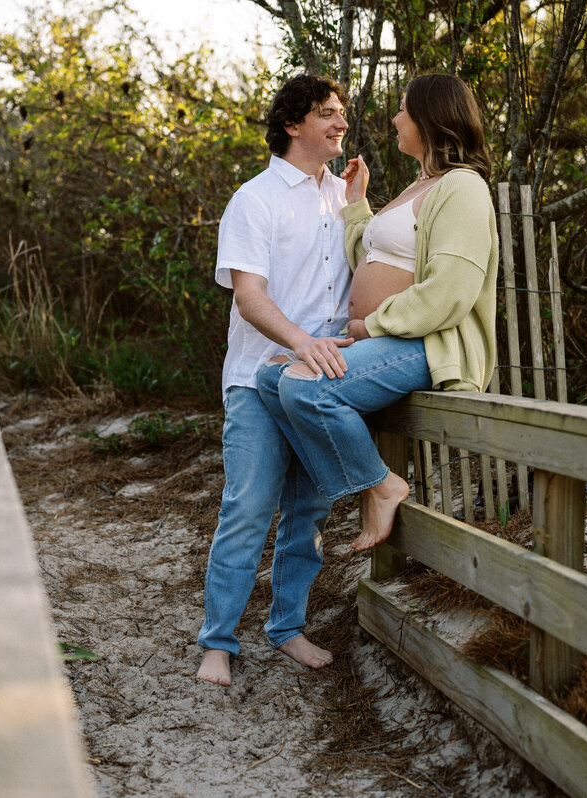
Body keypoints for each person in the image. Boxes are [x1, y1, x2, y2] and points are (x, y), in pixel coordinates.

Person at [258, 73, 498, 552]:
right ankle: (361, 482)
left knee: (307, 388)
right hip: (388, 341)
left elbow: (451, 290)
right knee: (269, 377)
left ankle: (378, 484)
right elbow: (372, 260)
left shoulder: (463, 188)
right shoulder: (421, 185)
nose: (395, 117)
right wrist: (357, 205)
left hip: (426, 344)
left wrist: (374, 324)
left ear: (432, 119)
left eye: (404, 109)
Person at [196, 74, 356, 687]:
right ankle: (218, 641)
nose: (341, 122)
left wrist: (359, 203)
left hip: (319, 384)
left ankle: (287, 628)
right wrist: (301, 342)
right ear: (293, 125)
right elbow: (249, 298)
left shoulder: (343, 196)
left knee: (309, 513)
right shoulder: (254, 199)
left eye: (342, 113)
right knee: (249, 506)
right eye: (327, 114)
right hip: (258, 378)